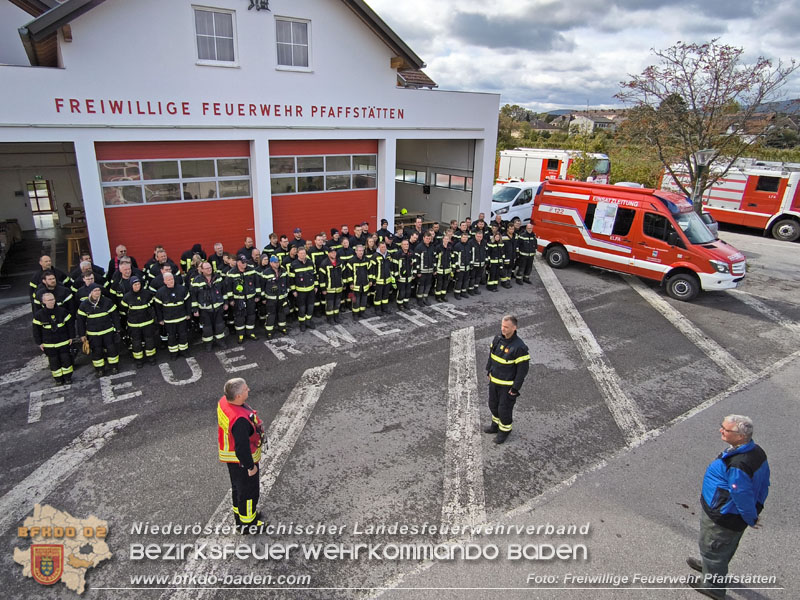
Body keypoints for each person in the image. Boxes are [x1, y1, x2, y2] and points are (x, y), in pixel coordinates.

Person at [685, 415, 770, 599]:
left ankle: (713, 586)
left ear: (740, 436)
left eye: (726, 429)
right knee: (722, 548)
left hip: (723, 516)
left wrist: (751, 517)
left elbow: (742, 494)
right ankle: (712, 567)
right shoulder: (756, 451)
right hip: (729, 513)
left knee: (712, 547)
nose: (720, 430)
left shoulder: (739, 464)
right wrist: (756, 508)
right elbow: (764, 482)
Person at [217, 378, 266, 530]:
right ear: (237, 396)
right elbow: (242, 447)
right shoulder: (239, 421)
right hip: (242, 461)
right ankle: (248, 524)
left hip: (231, 458)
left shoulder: (224, 402)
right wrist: (250, 467)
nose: (248, 390)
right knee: (249, 492)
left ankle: (240, 515)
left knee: (238, 488)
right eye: (245, 389)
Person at [484, 315, 530, 444]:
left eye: (506, 327)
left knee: (504, 409)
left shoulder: (519, 347)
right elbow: (491, 355)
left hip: (507, 386)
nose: (503, 329)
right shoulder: (498, 339)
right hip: (494, 381)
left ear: (514, 328)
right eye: (502, 326)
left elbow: (522, 371)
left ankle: (504, 431)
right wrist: (489, 370)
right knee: (493, 405)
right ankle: (495, 425)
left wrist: (515, 388)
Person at [76, 283, 121, 377]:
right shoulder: (84, 305)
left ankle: (114, 366)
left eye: (99, 290)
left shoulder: (107, 301)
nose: (97, 292)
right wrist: (82, 335)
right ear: (91, 292)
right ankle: (100, 369)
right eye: (95, 291)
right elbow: (80, 321)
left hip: (108, 332)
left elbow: (115, 316)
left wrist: (118, 329)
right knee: (97, 352)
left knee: (112, 349)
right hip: (93, 334)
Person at [32, 292, 74, 385]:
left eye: (53, 299)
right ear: (43, 302)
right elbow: (36, 330)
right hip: (49, 343)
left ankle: (68, 378)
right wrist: (39, 343)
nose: (52, 302)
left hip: (63, 341)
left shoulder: (62, 311)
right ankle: (58, 379)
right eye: (49, 300)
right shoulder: (39, 315)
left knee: (66, 360)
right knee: (54, 362)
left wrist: (71, 337)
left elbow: (70, 325)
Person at [153, 272, 191, 358]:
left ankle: (184, 351)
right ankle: (173, 353)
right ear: (164, 281)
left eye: (172, 279)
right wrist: (160, 319)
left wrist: (188, 314)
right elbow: (158, 308)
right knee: (171, 336)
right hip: (169, 320)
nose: (171, 281)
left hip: (181, 318)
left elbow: (188, 303)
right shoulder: (160, 292)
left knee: (183, 335)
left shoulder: (182, 289)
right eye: (169, 280)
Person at [121, 276, 157, 367]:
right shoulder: (127, 297)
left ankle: (151, 357)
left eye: (138, 284)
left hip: (147, 323)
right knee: (136, 343)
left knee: (149, 341)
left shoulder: (147, 294)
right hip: (134, 325)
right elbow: (123, 311)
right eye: (135, 285)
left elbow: (153, 306)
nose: (137, 286)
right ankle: (139, 360)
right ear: (131, 286)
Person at [192, 261, 228, 351]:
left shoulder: (218, 278)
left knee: (219, 326)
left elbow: (224, 291)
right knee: (207, 328)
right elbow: (193, 296)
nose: (209, 270)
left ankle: (220, 341)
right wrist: (195, 309)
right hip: (205, 310)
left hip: (218, 308)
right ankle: (209, 343)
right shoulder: (196, 281)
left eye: (210, 268)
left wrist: (226, 303)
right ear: (202, 270)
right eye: (207, 268)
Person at [226, 254, 260, 343]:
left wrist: (258, 295)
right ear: (237, 262)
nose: (245, 264)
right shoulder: (231, 273)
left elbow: (257, 284)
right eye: (242, 262)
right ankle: (241, 334)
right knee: (239, 318)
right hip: (238, 300)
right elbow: (228, 288)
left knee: (251, 316)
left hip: (250, 299)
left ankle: (250, 333)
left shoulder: (251, 270)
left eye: (245, 262)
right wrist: (231, 300)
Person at [261, 256, 289, 338]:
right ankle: (269, 331)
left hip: (282, 297)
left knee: (282, 313)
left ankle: (282, 328)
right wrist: (263, 298)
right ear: (270, 263)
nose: (277, 264)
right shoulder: (266, 272)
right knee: (271, 315)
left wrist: (287, 291)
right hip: (271, 299)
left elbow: (287, 282)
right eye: (275, 262)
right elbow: (262, 286)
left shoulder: (283, 271)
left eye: (277, 262)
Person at [290, 247, 317, 331]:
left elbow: (315, 275)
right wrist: (294, 290)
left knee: (310, 307)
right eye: (301, 253)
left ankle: (308, 321)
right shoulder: (294, 264)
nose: (303, 255)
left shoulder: (310, 262)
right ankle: (302, 323)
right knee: (302, 308)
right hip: (300, 291)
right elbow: (291, 279)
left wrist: (316, 286)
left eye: (304, 253)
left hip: (311, 290)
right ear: (297, 254)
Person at [318, 247, 345, 323]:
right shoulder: (324, 263)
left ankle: (336, 317)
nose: (334, 254)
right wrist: (323, 289)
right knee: (329, 305)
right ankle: (330, 319)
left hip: (339, 287)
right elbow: (321, 278)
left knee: (337, 304)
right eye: (332, 252)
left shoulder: (340, 262)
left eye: (335, 252)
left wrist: (344, 284)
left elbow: (344, 274)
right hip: (329, 289)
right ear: (328, 253)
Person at [348, 245, 371, 319]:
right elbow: (348, 273)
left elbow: (370, 271)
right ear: (356, 251)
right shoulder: (351, 261)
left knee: (364, 300)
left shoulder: (367, 260)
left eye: (362, 251)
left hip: (365, 284)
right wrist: (351, 283)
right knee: (356, 300)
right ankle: (355, 314)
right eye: (359, 251)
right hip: (356, 285)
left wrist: (371, 281)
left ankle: (362, 313)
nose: (361, 252)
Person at [370, 240, 393, 314]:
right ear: (379, 247)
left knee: (385, 296)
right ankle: (377, 310)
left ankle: (385, 308)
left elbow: (390, 266)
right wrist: (373, 280)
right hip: (379, 280)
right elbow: (371, 269)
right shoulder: (375, 256)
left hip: (387, 280)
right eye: (382, 247)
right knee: (378, 296)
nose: (384, 248)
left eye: (385, 247)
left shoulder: (388, 255)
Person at [392, 238, 416, 311]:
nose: (406, 246)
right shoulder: (397, 254)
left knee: (408, 291)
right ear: (401, 246)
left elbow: (415, 263)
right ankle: (400, 304)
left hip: (409, 277)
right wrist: (397, 276)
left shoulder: (411, 253)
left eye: (407, 244)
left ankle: (406, 303)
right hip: (401, 278)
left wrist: (414, 273)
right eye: (404, 244)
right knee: (401, 292)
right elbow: (394, 266)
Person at [451, 231, 472, 299]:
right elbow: (455, 257)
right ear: (461, 238)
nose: (465, 239)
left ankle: (463, 292)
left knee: (465, 281)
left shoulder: (469, 245)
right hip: (460, 267)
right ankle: (457, 294)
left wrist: (470, 263)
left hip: (467, 267)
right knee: (459, 281)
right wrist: (457, 267)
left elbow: (470, 255)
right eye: (463, 237)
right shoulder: (457, 246)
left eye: (466, 237)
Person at [468, 229, 487, 295]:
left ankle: (476, 288)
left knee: (478, 277)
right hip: (473, 264)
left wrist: (486, 261)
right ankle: (470, 290)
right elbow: (469, 253)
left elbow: (485, 252)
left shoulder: (484, 242)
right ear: (475, 236)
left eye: (480, 237)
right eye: (478, 236)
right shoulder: (471, 242)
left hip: (481, 263)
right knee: (472, 277)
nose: (479, 238)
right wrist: (470, 263)